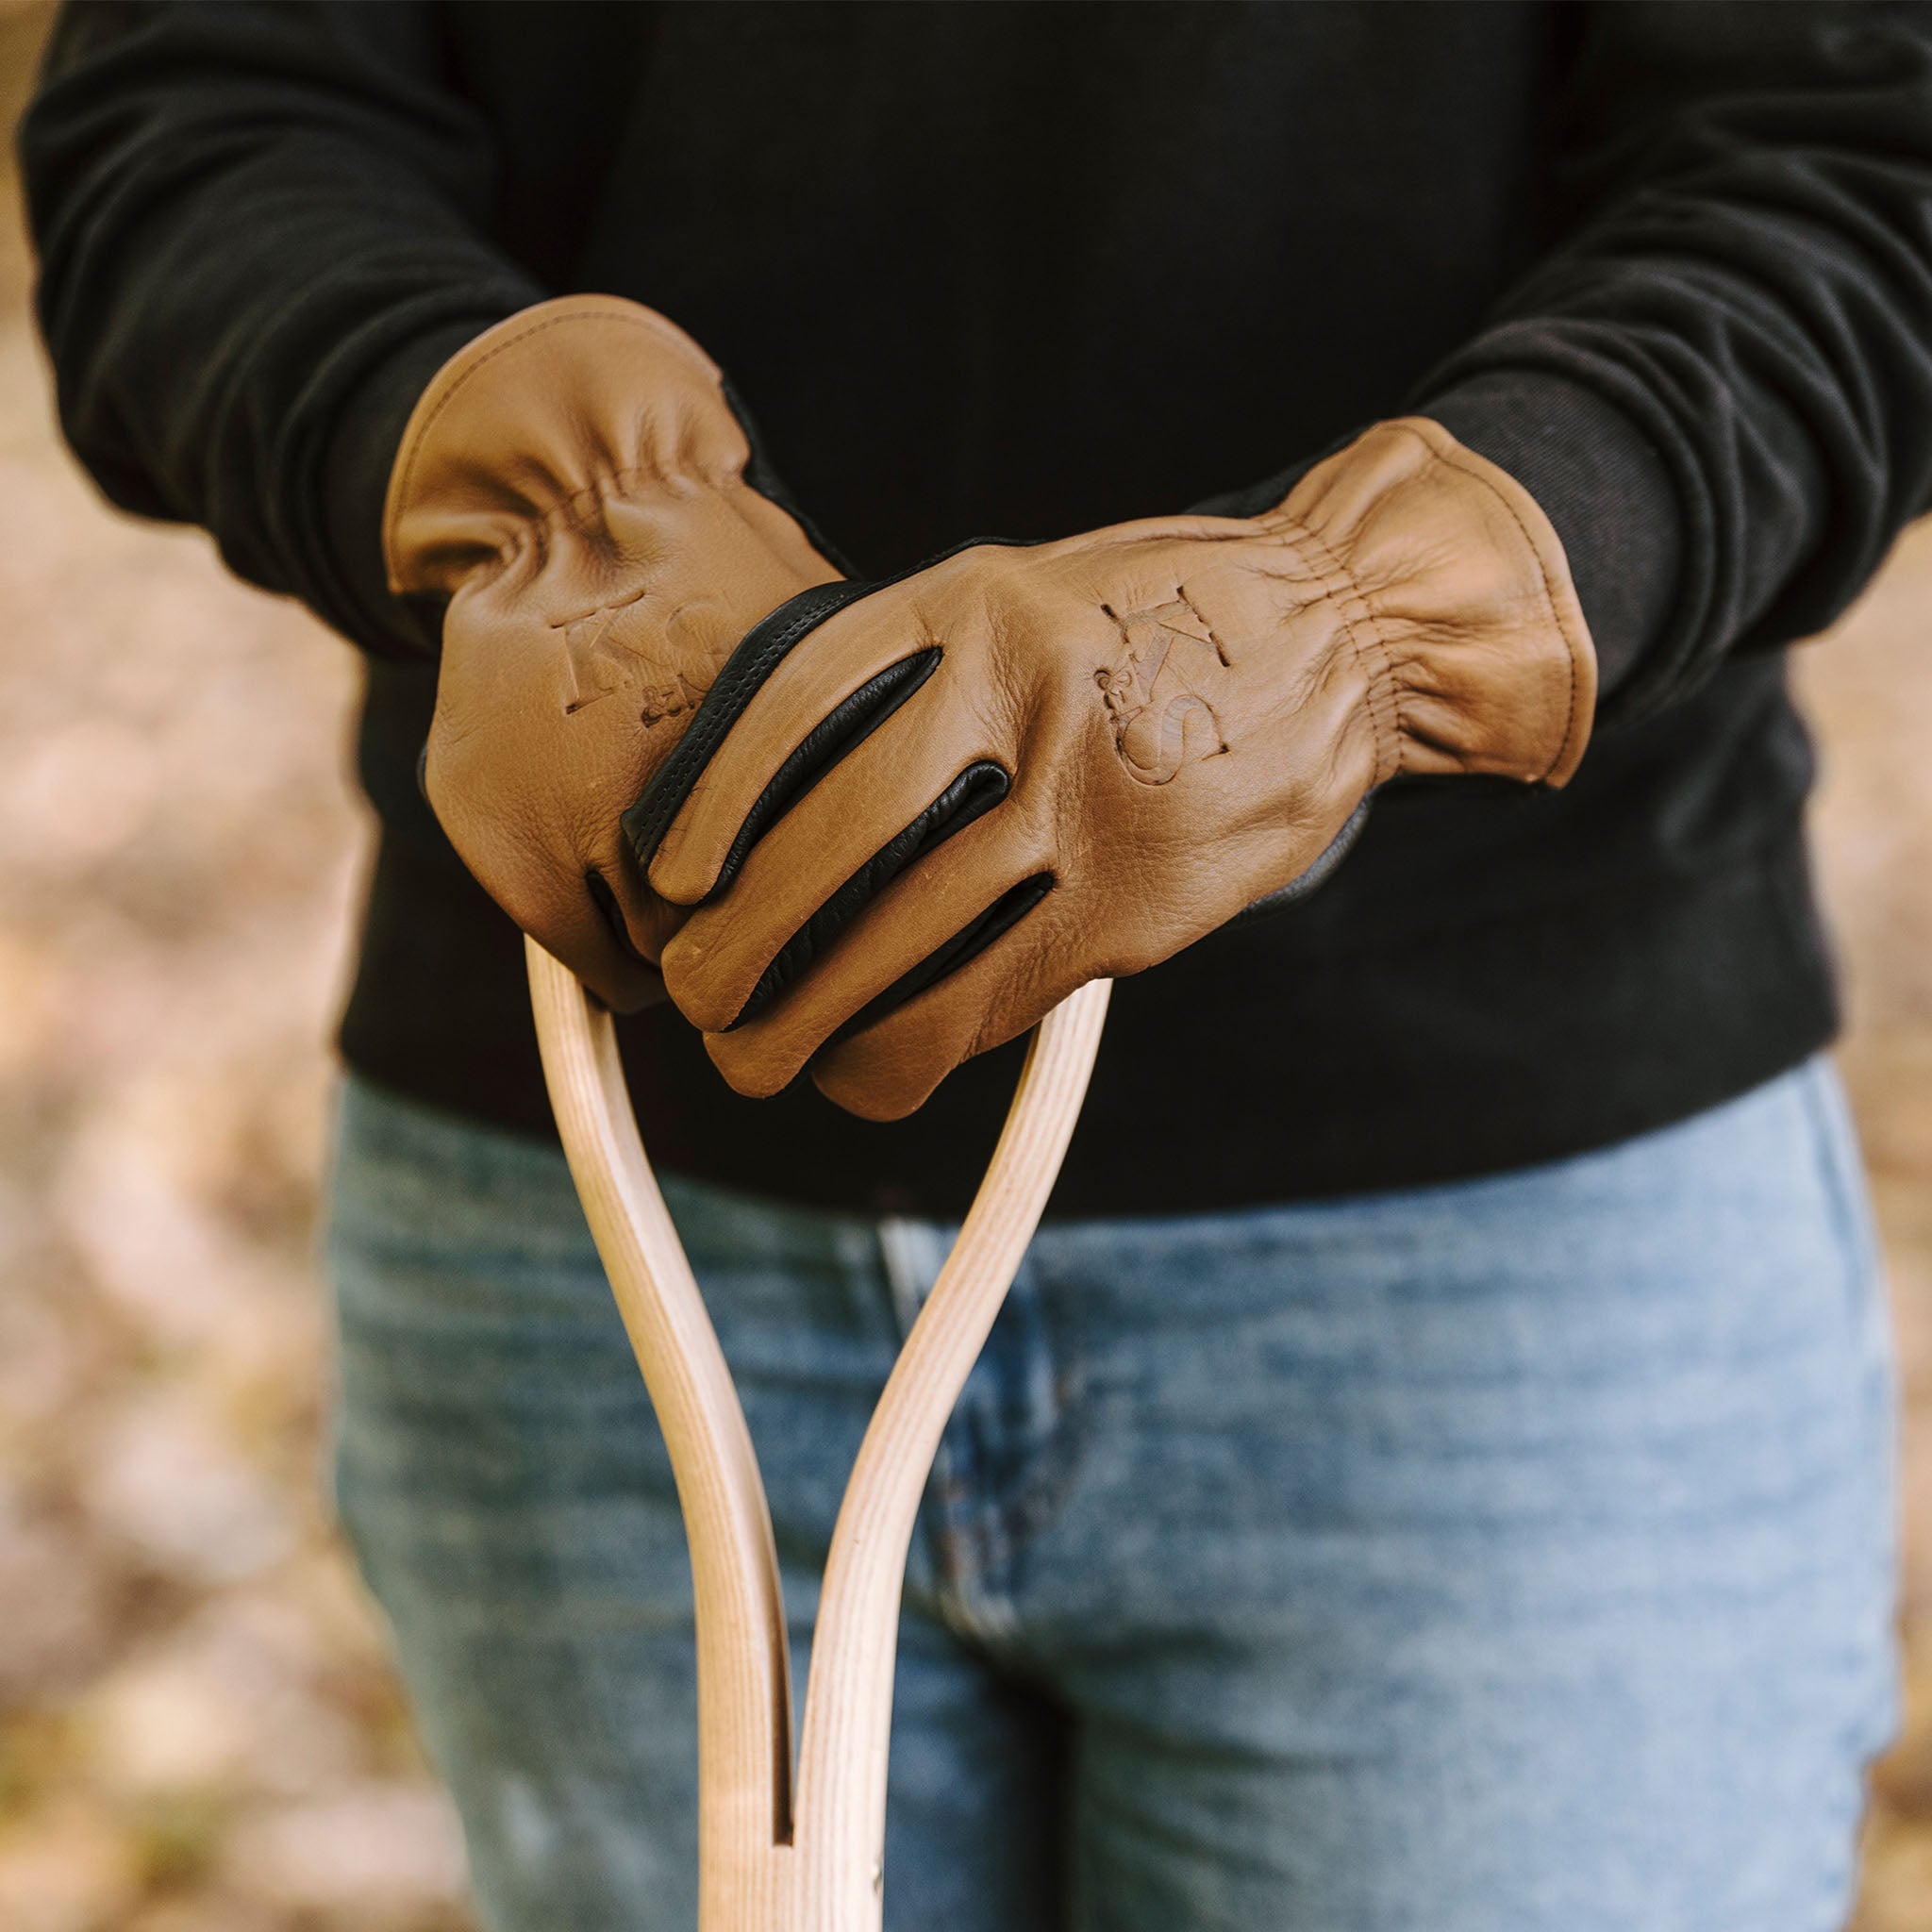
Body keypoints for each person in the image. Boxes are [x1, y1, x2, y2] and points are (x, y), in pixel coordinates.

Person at [22, 4, 1932, 1927]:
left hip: (1508, 1256)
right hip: (594, 1246)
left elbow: (1865, 156)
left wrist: (1388, 609)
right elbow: (206, 104)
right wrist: (502, 475)